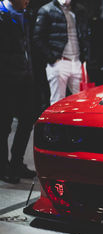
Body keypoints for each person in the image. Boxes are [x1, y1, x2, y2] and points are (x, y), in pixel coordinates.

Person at [0, 0, 37, 184]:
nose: (28, 1)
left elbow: (28, 45)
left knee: (28, 118)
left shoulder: (25, 14)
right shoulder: (2, 14)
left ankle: (16, 163)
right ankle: (3, 167)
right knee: (4, 125)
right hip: (6, 79)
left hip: (26, 77)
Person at [33, 0, 89, 105]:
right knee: (57, 101)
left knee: (81, 101)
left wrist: (85, 58)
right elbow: (37, 38)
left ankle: (75, 121)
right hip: (59, 62)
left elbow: (85, 34)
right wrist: (52, 58)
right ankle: (56, 122)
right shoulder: (47, 10)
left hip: (77, 61)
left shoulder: (79, 10)